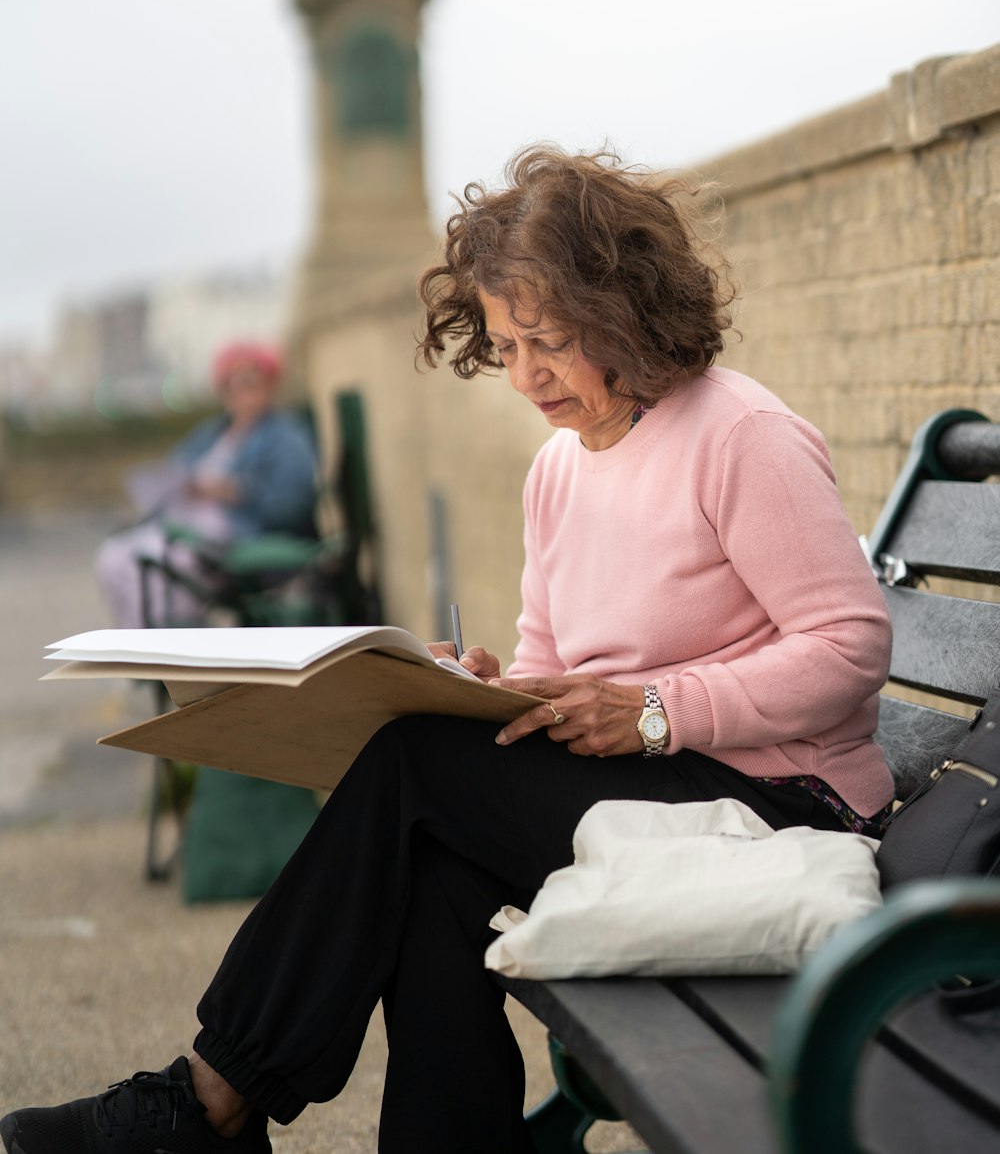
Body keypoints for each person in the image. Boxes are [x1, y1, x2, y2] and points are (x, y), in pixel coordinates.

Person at [2, 146, 894, 1154]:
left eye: (548, 341)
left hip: (777, 806)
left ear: (626, 312)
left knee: (417, 770)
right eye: (505, 343)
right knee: (430, 852)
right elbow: (551, 658)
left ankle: (206, 1101)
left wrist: (653, 710)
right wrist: (484, 688)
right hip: (649, 792)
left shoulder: (742, 435)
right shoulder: (559, 469)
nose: (524, 375)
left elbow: (848, 646)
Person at [95, 341, 317, 629]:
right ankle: (140, 655)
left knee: (164, 562)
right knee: (113, 556)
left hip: (234, 529)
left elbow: (293, 501)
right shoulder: (211, 433)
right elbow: (176, 470)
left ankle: (179, 656)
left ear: (270, 383)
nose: (240, 389)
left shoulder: (286, 437)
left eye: (250, 380)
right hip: (182, 522)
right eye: (231, 382)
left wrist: (235, 491)